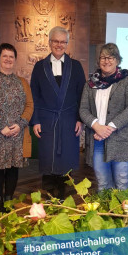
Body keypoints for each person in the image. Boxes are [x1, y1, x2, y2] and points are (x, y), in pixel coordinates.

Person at [30, 26, 86, 198]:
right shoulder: (39, 67)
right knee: (48, 156)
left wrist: (79, 119)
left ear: (67, 44)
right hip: (47, 119)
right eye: (56, 41)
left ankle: (62, 194)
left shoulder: (75, 66)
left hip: (69, 120)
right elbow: (34, 95)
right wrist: (36, 120)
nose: (59, 45)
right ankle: (48, 195)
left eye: (63, 42)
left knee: (65, 158)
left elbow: (82, 95)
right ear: (49, 42)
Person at [0, 43, 33, 212]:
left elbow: (30, 105)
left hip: (17, 133)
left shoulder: (23, 82)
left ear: (15, 60)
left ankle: (9, 199)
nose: (8, 59)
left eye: (11, 56)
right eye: (5, 56)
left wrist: (20, 124)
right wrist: (1, 125)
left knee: (12, 168)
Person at [79, 43, 128, 191]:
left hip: (122, 140)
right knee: (103, 185)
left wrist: (110, 127)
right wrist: (96, 126)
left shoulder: (127, 81)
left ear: (117, 60)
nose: (107, 61)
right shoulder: (90, 84)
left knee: (122, 184)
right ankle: (104, 215)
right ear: (99, 60)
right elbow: (83, 109)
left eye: (111, 57)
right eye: (103, 57)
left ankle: (124, 215)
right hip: (97, 140)